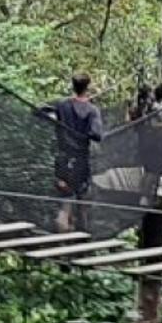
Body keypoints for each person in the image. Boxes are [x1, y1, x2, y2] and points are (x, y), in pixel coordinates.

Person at [42, 74, 105, 228]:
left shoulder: (62, 105)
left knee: (65, 203)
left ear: (73, 86)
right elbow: (97, 135)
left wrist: (55, 116)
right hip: (81, 162)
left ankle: (62, 244)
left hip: (63, 160)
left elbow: (40, 111)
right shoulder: (92, 110)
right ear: (88, 87)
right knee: (83, 203)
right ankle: (82, 242)